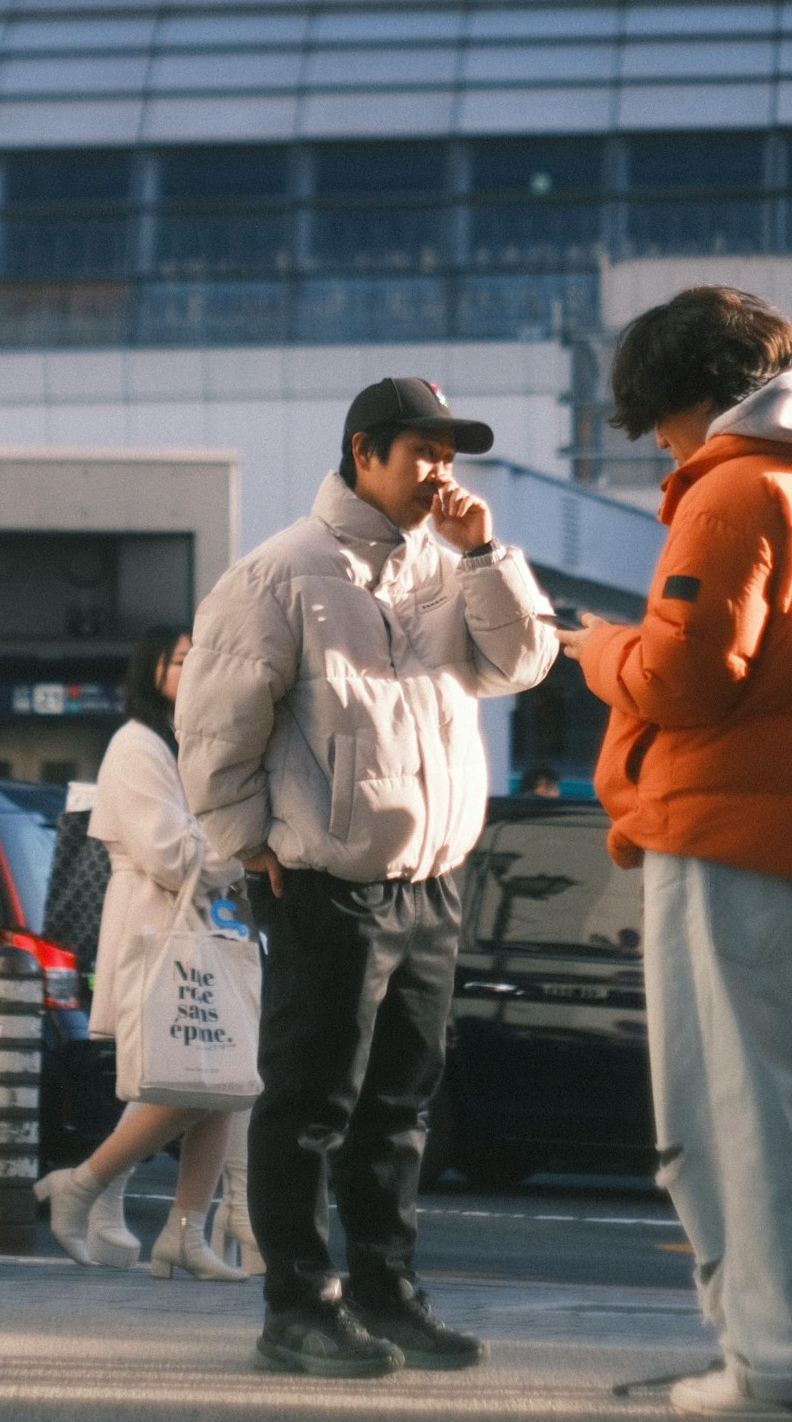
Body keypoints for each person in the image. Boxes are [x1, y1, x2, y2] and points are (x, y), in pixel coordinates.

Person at [560, 290, 792, 1420]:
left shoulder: (732, 490)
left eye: (656, 422)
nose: (660, 448)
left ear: (682, 395)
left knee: (732, 1109)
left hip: (729, 828)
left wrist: (596, 649)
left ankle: (775, 1364)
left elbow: (684, 678)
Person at [177, 374, 558, 1378]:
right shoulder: (282, 572)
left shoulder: (451, 564)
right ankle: (298, 1306)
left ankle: (388, 1296)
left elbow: (523, 664)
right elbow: (216, 727)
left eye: (450, 456)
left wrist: (485, 555)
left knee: (400, 1106)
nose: (441, 473)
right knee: (311, 1103)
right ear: (364, 453)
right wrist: (248, 845)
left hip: (431, 877)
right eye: (423, 452)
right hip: (325, 877)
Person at [35, 625, 252, 1280]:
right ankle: (84, 1185)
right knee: (188, 1084)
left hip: (199, 932)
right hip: (159, 931)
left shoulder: (190, 743)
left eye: (200, 659)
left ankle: (181, 1230)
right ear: (150, 670)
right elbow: (171, 854)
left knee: (222, 1083)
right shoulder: (136, 744)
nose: (193, 670)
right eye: (180, 660)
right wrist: (241, 848)